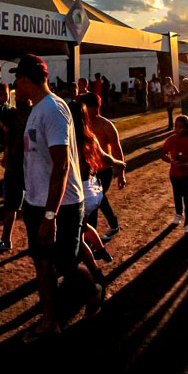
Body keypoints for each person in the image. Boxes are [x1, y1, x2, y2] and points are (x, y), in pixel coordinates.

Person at [12, 54, 102, 342]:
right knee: (41, 262)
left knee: (65, 263)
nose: (15, 84)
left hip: (61, 205)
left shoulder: (53, 109)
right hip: (37, 201)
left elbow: (61, 165)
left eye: (17, 79)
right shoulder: (37, 109)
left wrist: (50, 217)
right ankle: (51, 321)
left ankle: (94, 291)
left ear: (25, 79)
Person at [68, 99, 125, 283]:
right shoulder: (88, 136)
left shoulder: (66, 137)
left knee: (75, 234)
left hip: (76, 192)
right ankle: (99, 250)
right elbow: (104, 156)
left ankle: (92, 272)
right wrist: (118, 164)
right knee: (82, 227)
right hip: (91, 190)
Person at [0, 86, 31, 251]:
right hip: (20, 166)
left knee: (16, 206)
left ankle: (8, 240)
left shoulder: (28, 114)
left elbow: (8, 139)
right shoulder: (16, 114)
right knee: (15, 206)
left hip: (23, 167)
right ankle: (7, 240)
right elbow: (8, 138)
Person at [80, 92, 126, 242]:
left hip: (104, 171)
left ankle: (89, 240)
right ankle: (113, 224)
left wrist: (121, 173)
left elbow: (117, 149)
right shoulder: (80, 124)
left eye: (95, 107)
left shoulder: (106, 125)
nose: (84, 110)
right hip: (87, 172)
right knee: (98, 200)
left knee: (92, 205)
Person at [160, 115, 188, 234]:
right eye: (176, 126)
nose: (177, 129)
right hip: (175, 173)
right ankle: (179, 214)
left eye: (181, 127)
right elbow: (163, 154)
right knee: (177, 195)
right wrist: (172, 161)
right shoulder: (171, 139)